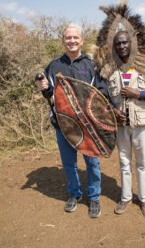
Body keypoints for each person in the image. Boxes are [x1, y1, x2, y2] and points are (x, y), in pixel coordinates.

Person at [95, 2, 145, 217]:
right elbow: (103, 97)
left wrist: (139, 94)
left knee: (141, 163)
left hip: (142, 124)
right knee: (124, 163)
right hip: (121, 126)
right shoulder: (110, 71)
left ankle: (144, 199)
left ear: (131, 43)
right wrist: (111, 111)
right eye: (118, 44)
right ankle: (125, 198)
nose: (122, 46)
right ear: (114, 46)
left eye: (125, 42)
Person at [36, 23, 108, 219]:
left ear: (82, 40)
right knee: (69, 163)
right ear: (63, 41)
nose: (72, 41)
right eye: (68, 38)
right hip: (63, 125)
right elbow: (50, 96)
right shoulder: (54, 66)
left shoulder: (92, 65)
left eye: (75, 37)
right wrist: (44, 89)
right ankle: (74, 194)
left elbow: (102, 93)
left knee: (92, 163)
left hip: (88, 127)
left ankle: (94, 197)